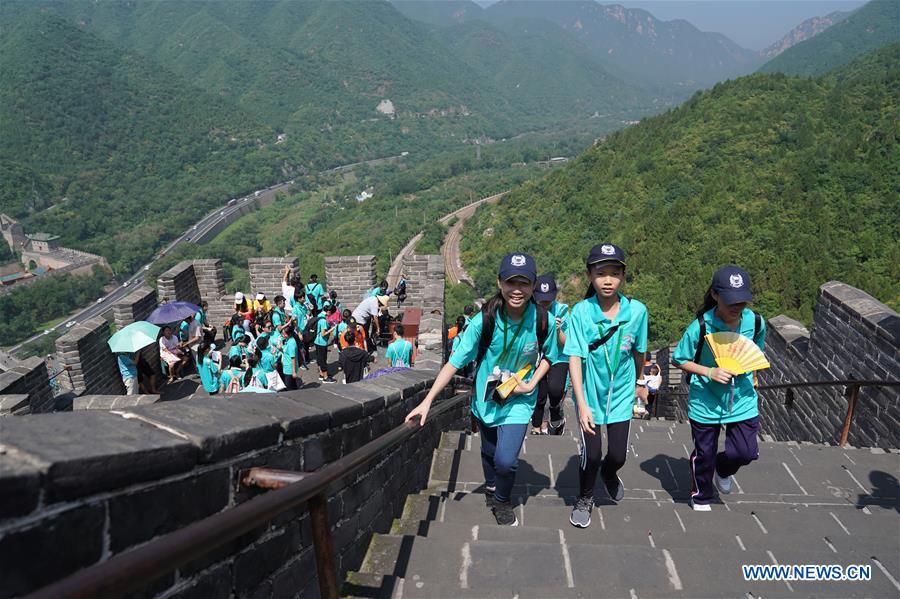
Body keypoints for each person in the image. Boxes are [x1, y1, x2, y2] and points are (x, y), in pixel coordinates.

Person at [405, 253, 557, 526]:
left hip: (519, 399)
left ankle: (501, 500)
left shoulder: (541, 320)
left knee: (506, 460)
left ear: (533, 286)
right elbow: (455, 362)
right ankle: (490, 487)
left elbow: (550, 356)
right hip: (487, 398)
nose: (517, 290)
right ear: (500, 283)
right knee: (488, 451)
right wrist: (427, 401)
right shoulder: (484, 321)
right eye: (511, 282)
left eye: (524, 283)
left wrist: (532, 384)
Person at [565, 243, 648, 528]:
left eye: (614, 273)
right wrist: (581, 404)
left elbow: (640, 352)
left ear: (623, 276)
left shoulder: (637, 312)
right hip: (589, 394)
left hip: (622, 395)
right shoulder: (581, 313)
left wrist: (639, 383)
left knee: (617, 455)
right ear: (590, 276)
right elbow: (574, 357)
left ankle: (610, 474)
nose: (608, 280)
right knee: (593, 453)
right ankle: (585, 497)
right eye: (601, 273)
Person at [673, 266, 766, 512]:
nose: (737, 306)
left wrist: (748, 368)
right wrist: (710, 372)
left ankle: (723, 469)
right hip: (706, 400)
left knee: (745, 452)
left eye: (742, 301)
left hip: (742, 397)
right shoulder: (702, 326)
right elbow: (679, 359)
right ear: (715, 295)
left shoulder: (755, 322)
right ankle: (701, 494)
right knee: (705, 453)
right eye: (730, 301)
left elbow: (756, 350)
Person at [530, 273, 570, 436]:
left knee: (555, 390)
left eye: (548, 301)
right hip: (538, 357)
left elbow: (566, 343)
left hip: (558, 357)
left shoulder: (562, 311)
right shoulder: (529, 310)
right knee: (539, 394)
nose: (545, 304)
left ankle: (555, 410)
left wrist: (558, 329)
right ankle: (536, 427)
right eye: (541, 300)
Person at [313, 307, 338, 383]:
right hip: (322, 342)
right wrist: (332, 328)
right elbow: (323, 334)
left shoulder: (320, 315)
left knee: (319, 358)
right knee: (323, 360)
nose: (331, 316)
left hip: (317, 341)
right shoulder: (323, 320)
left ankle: (321, 374)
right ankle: (325, 378)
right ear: (328, 312)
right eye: (331, 314)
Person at [280, 324, 301, 390]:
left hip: (289, 368)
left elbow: (293, 358)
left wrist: (293, 371)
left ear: (289, 334)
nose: (283, 335)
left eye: (284, 334)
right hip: (286, 366)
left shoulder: (291, 343)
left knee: (289, 386)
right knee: (293, 384)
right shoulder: (287, 340)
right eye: (282, 334)